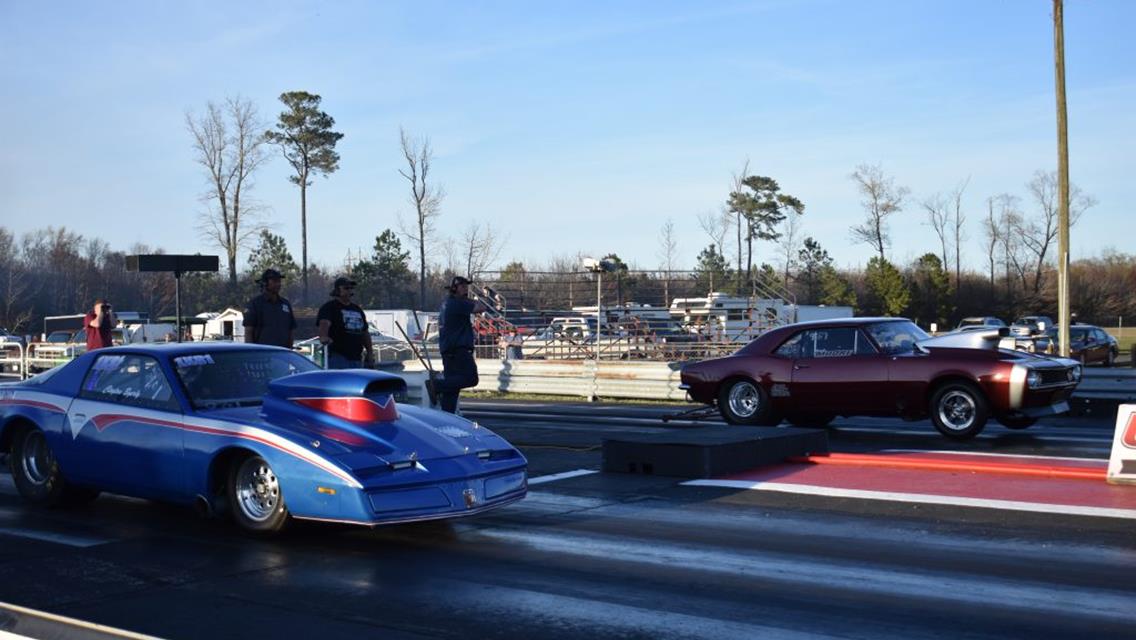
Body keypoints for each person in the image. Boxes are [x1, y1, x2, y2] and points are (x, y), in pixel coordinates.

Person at [435, 276, 487, 413]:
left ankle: (447, 418)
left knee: (452, 390)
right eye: (463, 287)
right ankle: (437, 385)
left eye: (466, 286)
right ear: (454, 289)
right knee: (471, 378)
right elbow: (481, 307)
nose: (466, 289)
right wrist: (472, 298)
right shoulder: (458, 303)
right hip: (459, 350)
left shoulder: (448, 303)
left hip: (449, 350)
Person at [317, 276, 374, 369]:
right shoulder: (329, 307)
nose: (349, 291)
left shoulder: (357, 309)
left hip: (356, 357)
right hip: (337, 356)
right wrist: (323, 336)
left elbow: (365, 332)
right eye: (346, 288)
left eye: (351, 288)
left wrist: (370, 352)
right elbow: (324, 323)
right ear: (337, 291)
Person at [243, 268, 297, 348]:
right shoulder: (255, 304)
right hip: (262, 354)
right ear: (265, 283)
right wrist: (252, 353)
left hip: (282, 354)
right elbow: (249, 332)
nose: (278, 284)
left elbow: (291, 330)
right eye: (274, 281)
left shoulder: (285, 304)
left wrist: (289, 351)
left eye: (279, 281)